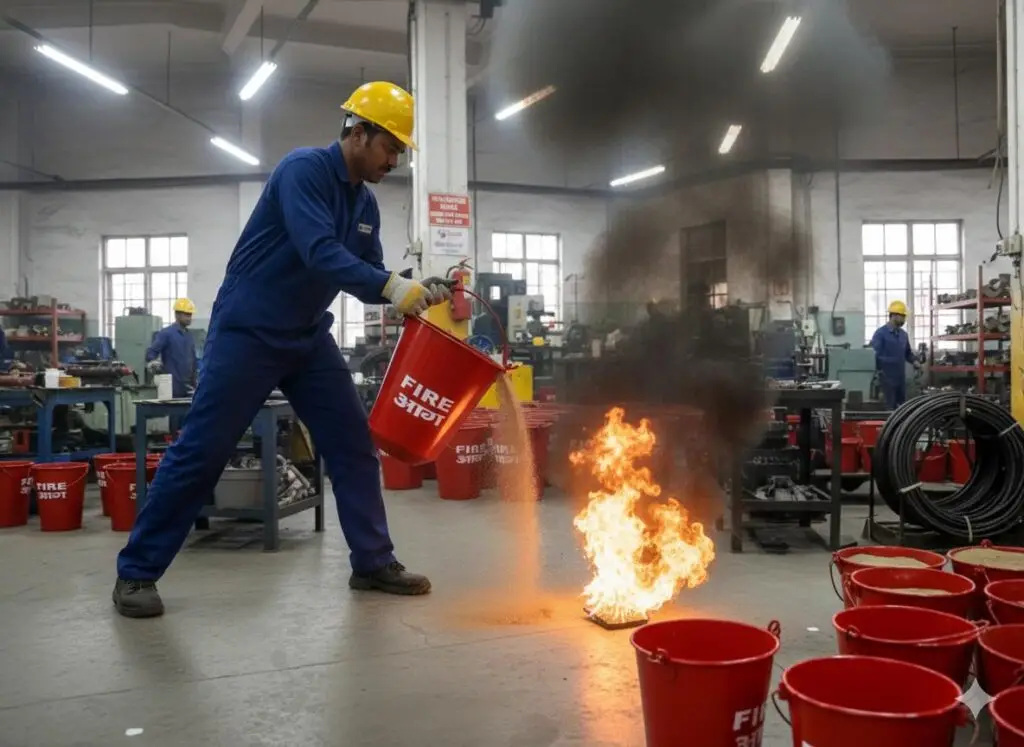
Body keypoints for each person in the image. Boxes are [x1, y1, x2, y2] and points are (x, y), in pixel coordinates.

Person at [113, 81, 451, 618]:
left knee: (353, 445)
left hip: (307, 338)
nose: (395, 161)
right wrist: (392, 287)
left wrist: (413, 286)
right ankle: (136, 572)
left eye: (401, 152)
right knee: (203, 450)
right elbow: (320, 253)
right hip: (248, 332)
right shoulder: (303, 171)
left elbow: (368, 276)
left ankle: (371, 561)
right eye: (391, 147)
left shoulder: (364, 204)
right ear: (358, 132)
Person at [870, 300, 920, 409]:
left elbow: (907, 353)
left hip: (900, 378)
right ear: (893, 315)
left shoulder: (903, 335)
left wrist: (914, 361)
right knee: (888, 408)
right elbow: (873, 356)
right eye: (902, 316)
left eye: (904, 316)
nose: (904, 319)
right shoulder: (880, 334)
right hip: (885, 379)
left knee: (900, 408)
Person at [146, 298, 198, 398]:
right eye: (186, 314)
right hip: (172, 388)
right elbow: (151, 353)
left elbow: (193, 361)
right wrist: (154, 363)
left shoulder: (189, 336)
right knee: (174, 413)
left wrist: (195, 384)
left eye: (190, 315)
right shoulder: (166, 333)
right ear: (177, 315)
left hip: (189, 389)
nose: (189, 318)